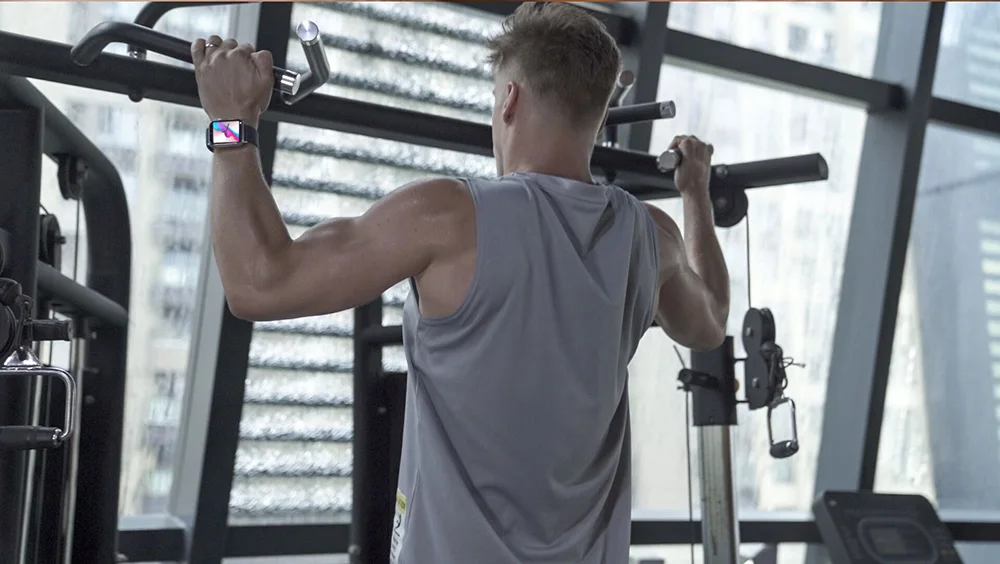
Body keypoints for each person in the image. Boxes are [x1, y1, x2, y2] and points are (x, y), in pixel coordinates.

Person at [192, 3, 729, 563]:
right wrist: (695, 193)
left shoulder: (447, 216)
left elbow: (258, 285)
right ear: (597, 115)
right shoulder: (651, 237)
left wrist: (232, 122)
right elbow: (711, 323)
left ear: (509, 99)